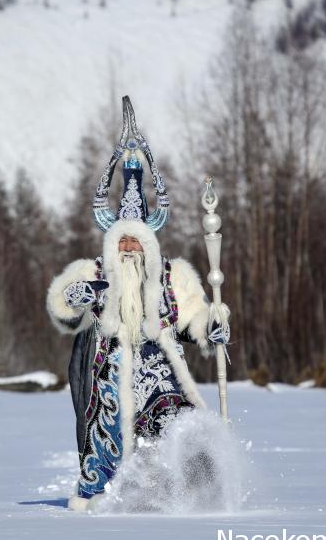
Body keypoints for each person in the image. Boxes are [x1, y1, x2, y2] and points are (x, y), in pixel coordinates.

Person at [46, 96, 230, 511]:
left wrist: (211, 325)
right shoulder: (92, 272)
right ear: (112, 243)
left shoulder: (171, 274)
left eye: (136, 240)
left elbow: (194, 316)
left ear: (148, 243)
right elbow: (62, 307)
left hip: (159, 368)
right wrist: (74, 298)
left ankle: (198, 494)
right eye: (122, 240)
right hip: (110, 374)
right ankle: (119, 498)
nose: (129, 246)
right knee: (111, 439)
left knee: (181, 425)